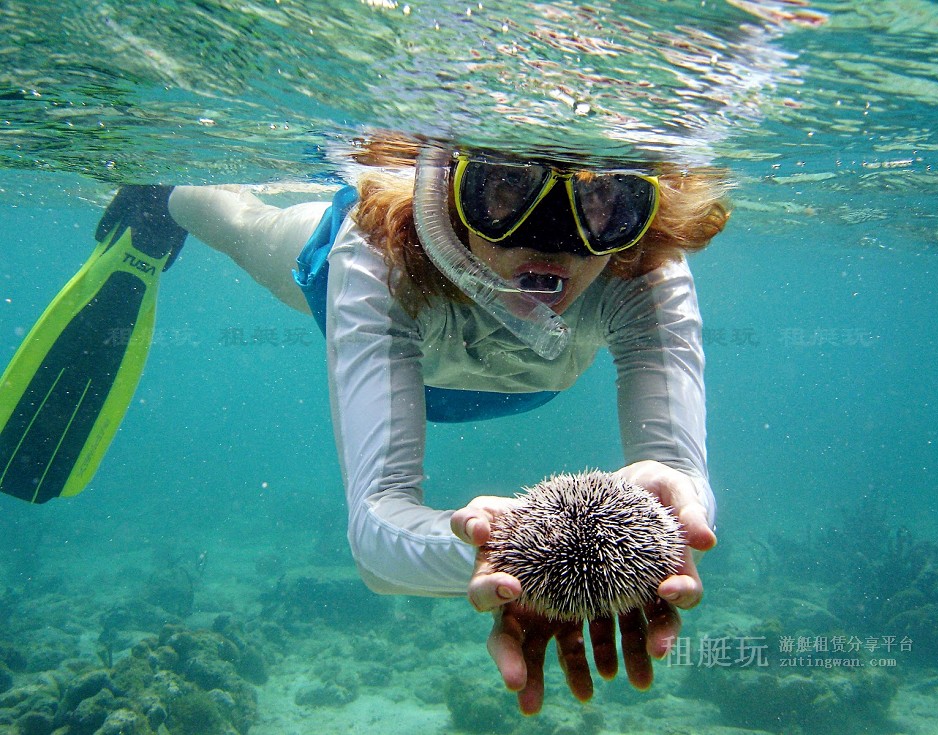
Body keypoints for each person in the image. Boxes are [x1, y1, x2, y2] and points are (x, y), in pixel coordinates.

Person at [1, 134, 729, 713]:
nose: (554, 242)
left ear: (639, 209)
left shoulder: (643, 266)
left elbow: (678, 474)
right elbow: (375, 527)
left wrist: (665, 519)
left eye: (602, 202)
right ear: (449, 186)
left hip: (508, 378)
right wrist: (503, 559)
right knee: (231, 218)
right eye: (505, 188)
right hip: (332, 285)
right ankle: (162, 201)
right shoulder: (377, 255)